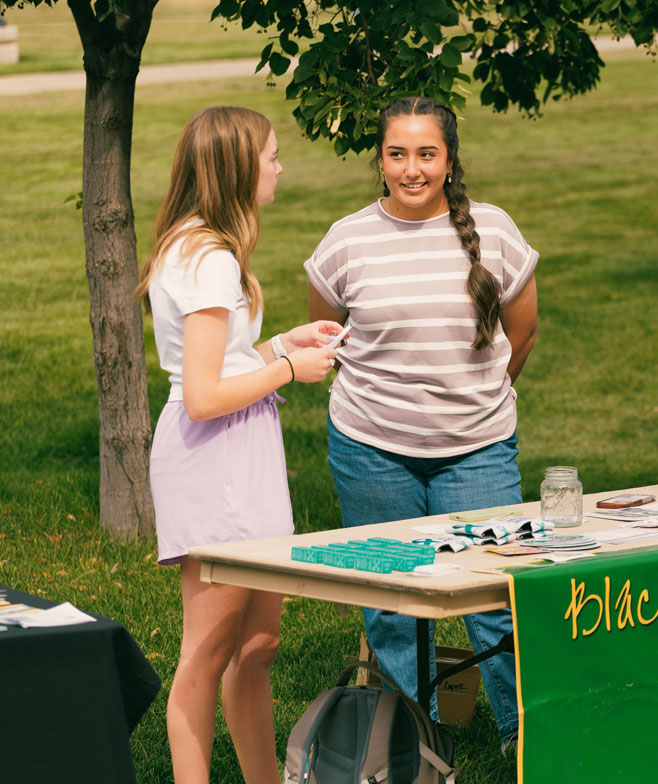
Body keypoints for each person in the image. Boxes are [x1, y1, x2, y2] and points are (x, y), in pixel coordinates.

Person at [305, 96, 539, 749]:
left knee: (495, 595)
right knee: (392, 602)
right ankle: (411, 743)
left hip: (480, 449)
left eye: (427, 154)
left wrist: (472, 406)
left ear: (449, 159)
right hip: (370, 449)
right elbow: (326, 337)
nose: (413, 169)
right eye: (398, 154)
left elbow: (522, 334)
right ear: (379, 161)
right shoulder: (346, 240)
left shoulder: (493, 230)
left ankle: (523, 738)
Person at [136, 106, 342, 783]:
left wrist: (282, 343)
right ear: (236, 168)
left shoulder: (207, 250)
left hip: (240, 451)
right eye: (272, 156)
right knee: (209, 649)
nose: (281, 167)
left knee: (258, 643)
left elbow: (221, 360)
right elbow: (200, 393)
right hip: (212, 456)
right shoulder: (209, 259)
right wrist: (288, 371)